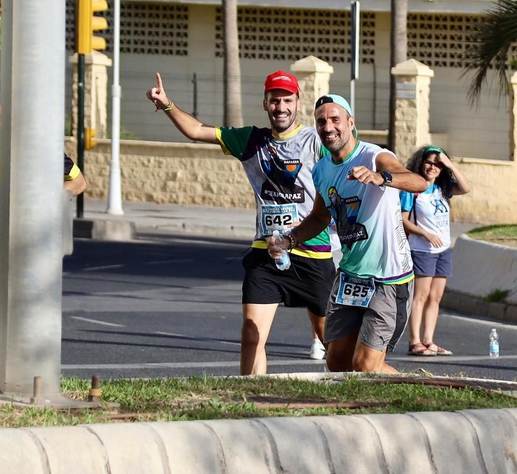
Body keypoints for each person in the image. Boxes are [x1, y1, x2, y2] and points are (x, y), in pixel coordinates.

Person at [147, 69, 331, 373]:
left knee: (330, 338)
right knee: (251, 333)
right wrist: (167, 104)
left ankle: (349, 392)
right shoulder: (250, 140)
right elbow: (197, 131)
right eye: (274, 100)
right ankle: (248, 397)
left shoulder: (316, 140)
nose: (281, 107)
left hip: (312, 252)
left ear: (298, 102)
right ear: (265, 103)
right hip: (266, 251)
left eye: (287, 100)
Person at [269, 95, 430, 373]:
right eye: (321, 121)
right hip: (350, 278)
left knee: (366, 366)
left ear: (350, 123)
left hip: (387, 277)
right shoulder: (321, 170)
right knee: (337, 362)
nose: (328, 127)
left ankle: (421, 392)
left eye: (335, 120)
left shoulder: (374, 155)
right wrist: (290, 239)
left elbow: (418, 182)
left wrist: (382, 178)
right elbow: (320, 217)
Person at [0, 79, 87, 382]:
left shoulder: (35, 141)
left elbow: (78, 182)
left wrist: (44, 197)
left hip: (24, 242)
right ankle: (19, 379)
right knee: (12, 316)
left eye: (4, 103)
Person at [401, 146, 472, 356]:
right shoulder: (413, 188)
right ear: (421, 163)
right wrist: (424, 233)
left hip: (443, 250)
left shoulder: (443, 189)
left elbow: (466, 188)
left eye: (438, 164)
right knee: (420, 296)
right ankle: (414, 342)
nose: (433, 167)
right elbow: (403, 220)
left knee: (436, 297)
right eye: (429, 162)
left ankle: (428, 340)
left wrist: (450, 164)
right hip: (422, 249)